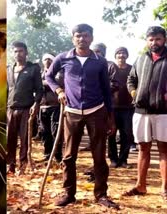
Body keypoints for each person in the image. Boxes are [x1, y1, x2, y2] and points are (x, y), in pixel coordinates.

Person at [45, 24, 119, 209]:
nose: (82, 39)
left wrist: (111, 117)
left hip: (97, 111)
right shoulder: (64, 58)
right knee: (69, 156)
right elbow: (49, 76)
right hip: (72, 112)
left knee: (99, 156)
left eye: (86, 36)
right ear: (73, 39)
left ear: (91, 38)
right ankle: (69, 194)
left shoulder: (100, 61)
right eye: (78, 36)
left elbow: (106, 90)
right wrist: (59, 90)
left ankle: (101, 195)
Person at [123, 26, 167, 200]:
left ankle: (165, 188)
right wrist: (135, 93)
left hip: (164, 112)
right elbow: (130, 79)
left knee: (164, 150)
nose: (154, 42)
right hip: (141, 111)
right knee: (143, 148)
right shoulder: (141, 59)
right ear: (146, 41)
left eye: (157, 39)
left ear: (164, 39)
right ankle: (140, 186)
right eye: (150, 39)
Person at [6, 41, 43, 174]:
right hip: (10, 109)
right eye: (15, 51)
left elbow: (39, 89)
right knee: (9, 138)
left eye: (21, 51)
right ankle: (10, 164)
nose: (18, 54)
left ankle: (23, 165)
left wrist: (36, 103)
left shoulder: (33, 68)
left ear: (26, 52)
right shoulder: (8, 69)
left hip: (26, 109)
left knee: (24, 139)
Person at [107, 47, 134, 168]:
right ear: (115, 56)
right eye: (118, 53)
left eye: (123, 53)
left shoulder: (131, 69)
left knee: (126, 134)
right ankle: (113, 159)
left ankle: (123, 160)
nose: (121, 55)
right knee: (111, 134)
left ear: (127, 55)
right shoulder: (110, 68)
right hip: (112, 107)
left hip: (128, 107)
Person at [39, 53, 62, 162]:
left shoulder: (58, 73)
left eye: (49, 59)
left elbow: (58, 82)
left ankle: (58, 155)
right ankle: (47, 154)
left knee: (55, 131)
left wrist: (43, 82)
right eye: (45, 59)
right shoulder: (40, 73)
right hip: (43, 106)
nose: (47, 61)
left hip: (55, 106)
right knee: (44, 132)